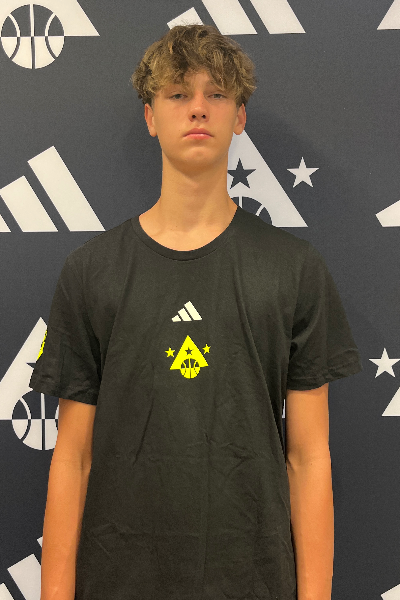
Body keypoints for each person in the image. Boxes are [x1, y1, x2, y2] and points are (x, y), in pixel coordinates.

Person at [30, 23, 363, 600]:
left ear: (239, 117)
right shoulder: (91, 272)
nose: (198, 109)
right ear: (150, 116)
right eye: (178, 93)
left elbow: (309, 459)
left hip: (252, 581)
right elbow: (72, 459)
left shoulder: (293, 269)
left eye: (218, 94)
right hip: (119, 581)